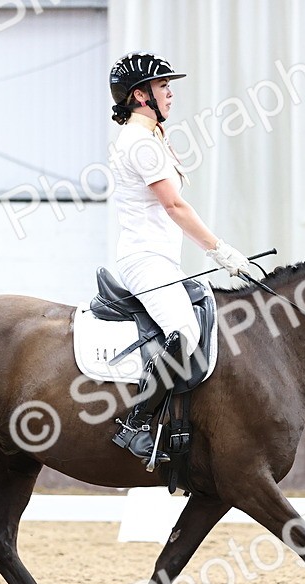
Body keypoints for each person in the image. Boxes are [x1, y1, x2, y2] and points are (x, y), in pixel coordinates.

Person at [106, 51, 252, 463]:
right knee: (184, 333)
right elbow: (175, 206)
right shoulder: (141, 143)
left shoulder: (149, 136)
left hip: (160, 260)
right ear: (140, 95)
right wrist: (220, 250)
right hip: (145, 260)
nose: (170, 93)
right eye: (163, 86)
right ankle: (135, 425)